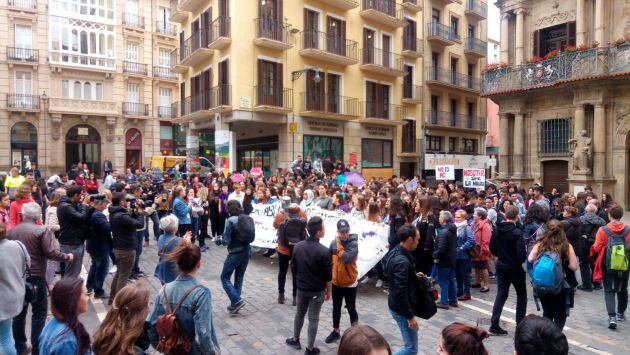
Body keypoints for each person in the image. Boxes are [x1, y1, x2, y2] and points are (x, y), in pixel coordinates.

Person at [8, 202, 73, 355]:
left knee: (19, 312)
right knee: (39, 313)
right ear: (38, 216)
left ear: (23, 215)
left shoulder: (12, 231)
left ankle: (20, 346)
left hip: (18, 276)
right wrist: (67, 257)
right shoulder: (41, 231)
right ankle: (37, 349)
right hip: (35, 276)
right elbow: (51, 252)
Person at [148, 241, 220, 354]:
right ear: (199, 264)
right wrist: (212, 352)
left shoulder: (163, 290)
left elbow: (152, 325)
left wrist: (160, 347)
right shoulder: (201, 293)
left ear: (177, 263)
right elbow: (203, 334)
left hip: (172, 350)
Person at [286, 216, 332, 355]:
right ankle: (310, 349)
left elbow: (293, 267)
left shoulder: (298, 246)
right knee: (313, 318)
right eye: (323, 228)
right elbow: (328, 276)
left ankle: (295, 339)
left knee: (299, 314)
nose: (324, 230)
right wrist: (328, 290)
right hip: (317, 291)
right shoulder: (324, 251)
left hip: (302, 287)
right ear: (318, 232)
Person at [528, 220, 579, 330]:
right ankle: (555, 338)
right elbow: (574, 266)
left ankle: (545, 336)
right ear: (562, 231)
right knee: (560, 315)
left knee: (547, 312)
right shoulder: (566, 245)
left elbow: (530, 258)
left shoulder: (540, 244)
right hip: (561, 285)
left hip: (542, 284)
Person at [488, 205, 527, 335]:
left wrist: (500, 256)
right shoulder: (516, 232)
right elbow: (522, 254)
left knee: (501, 294)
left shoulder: (497, 230)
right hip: (514, 268)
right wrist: (516, 261)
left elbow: (492, 248)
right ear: (516, 216)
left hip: (501, 265)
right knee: (521, 296)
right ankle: (520, 326)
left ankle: (494, 324)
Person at [590, 204, 630, 329]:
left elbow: (596, 247)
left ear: (609, 215)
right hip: (624, 265)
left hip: (607, 264)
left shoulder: (603, 230)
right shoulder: (628, 230)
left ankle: (612, 317)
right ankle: (620, 313)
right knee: (623, 289)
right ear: (621, 215)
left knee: (609, 290)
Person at [385, 224, 421, 355]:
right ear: (410, 239)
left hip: (395, 305)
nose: (418, 242)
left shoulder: (396, 251)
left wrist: (412, 275)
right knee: (411, 348)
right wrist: (410, 316)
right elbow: (400, 293)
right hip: (401, 309)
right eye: (417, 239)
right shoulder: (403, 262)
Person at [92, 282, 151, 355]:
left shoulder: (104, 333)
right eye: (148, 304)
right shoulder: (135, 350)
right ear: (140, 313)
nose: (149, 307)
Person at [324, 219, 359, 344]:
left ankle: (356, 333)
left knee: (351, 307)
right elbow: (328, 260)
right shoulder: (333, 243)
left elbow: (346, 258)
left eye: (346, 231)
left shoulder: (353, 244)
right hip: (336, 282)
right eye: (342, 232)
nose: (344, 234)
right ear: (338, 232)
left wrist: (338, 245)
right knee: (336, 308)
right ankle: (336, 331)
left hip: (350, 283)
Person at [38, 277, 91, 355]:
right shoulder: (67, 342)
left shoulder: (54, 322)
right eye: (86, 294)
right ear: (74, 300)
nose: (88, 298)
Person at [109, 192, 144, 304]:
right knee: (124, 275)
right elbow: (139, 224)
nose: (127, 202)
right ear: (121, 202)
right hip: (126, 248)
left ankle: (113, 297)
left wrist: (133, 212)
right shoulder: (121, 216)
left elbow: (129, 223)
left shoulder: (115, 212)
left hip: (119, 247)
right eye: (125, 200)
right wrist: (140, 212)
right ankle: (120, 301)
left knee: (120, 272)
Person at [218, 200, 252, 315]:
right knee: (239, 277)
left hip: (235, 253)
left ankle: (237, 301)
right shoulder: (245, 217)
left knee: (224, 277)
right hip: (247, 250)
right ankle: (234, 305)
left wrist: (219, 241)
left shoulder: (230, 220)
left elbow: (226, 241)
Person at [0, 222, 28, 355]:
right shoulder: (18, 245)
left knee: (4, 339)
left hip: (2, 300)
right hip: (16, 294)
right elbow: (27, 266)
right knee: (6, 334)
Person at [274, 201, 308, 305]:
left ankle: (281, 295)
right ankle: (295, 297)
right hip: (297, 249)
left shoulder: (281, 214)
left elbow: (275, 225)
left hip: (283, 248)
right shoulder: (302, 213)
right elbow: (305, 226)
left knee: (282, 272)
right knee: (296, 273)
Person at [57, 185, 90, 278]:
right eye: (81, 195)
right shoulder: (65, 206)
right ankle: (69, 291)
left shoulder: (71, 203)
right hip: (70, 242)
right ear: (75, 195)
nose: (81, 197)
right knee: (71, 272)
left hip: (76, 240)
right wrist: (84, 205)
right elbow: (80, 217)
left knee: (75, 270)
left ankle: (71, 289)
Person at [86, 197, 112, 299]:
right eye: (104, 204)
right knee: (102, 269)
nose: (106, 206)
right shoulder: (98, 215)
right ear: (100, 204)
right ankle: (98, 291)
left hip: (94, 245)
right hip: (99, 246)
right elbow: (107, 228)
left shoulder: (93, 212)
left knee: (95, 266)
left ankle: (89, 287)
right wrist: (112, 221)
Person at [578, 204, 606, 291]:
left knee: (584, 264)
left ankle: (587, 285)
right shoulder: (601, 221)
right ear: (595, 211)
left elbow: (579, 232)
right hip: (596, 244)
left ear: (586, 210)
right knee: (595, 263)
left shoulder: (581, 219)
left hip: (584, 244)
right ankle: (597, 283)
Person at [434, 210, 458, 309]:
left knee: (443, 281)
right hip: (451, 259)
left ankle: (444, 302)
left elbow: (441, 249)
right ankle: (453, 300)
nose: (439, 218)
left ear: (443, 219)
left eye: (440, 217)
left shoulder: (443, 232)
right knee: (451, 280)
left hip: (444, 261)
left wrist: (435, 255)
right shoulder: (452, 230)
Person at [154, 214, 185, 285]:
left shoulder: (161, 237)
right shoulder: (179, 240)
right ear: (175, 228)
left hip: (163, 266)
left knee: (165, 287)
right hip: (173, 269)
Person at [454, 210, 475, 301]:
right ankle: (460, 291)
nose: (456, 218)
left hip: (464, 256)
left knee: (465, 275)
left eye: (458, 217)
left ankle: (467, 293)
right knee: (457, 274)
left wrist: (462, 248)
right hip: (455, 255)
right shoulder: (454, 227)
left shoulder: (467, 227)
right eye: (455, 216)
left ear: (463, 218)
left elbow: (471, 240)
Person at [471, 208, 492, 293]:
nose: (473, 215)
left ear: (479, 216)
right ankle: (477, 281)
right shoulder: (474, 224)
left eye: (475, 214)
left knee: (483, 267)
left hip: (481, 250)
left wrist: (483, 251)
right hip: (475, 249)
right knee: (476, 266)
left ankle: (486, 285)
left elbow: (486, 240)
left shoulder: (485, 225)